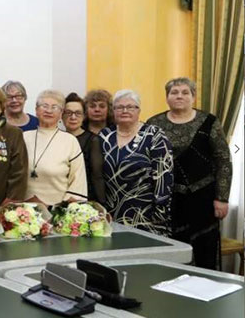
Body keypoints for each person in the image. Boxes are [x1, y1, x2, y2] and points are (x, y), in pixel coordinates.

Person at [147, 78, 232, 269]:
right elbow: (147, 162)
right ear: (167, 97)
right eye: (174, 92)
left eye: (185, 92)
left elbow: (223, 160)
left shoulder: (209, 121)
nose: (179, 96)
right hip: (168, 199)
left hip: (204, 197)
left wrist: (222, 197)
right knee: (173, 251)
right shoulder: (154, 123)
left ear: (193, 96)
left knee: (205, 251)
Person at [100, 90, 173, 236]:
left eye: (130, 107)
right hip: (110, 213)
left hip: (146, 214)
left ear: (139, 110)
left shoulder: (154, 135)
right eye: (119, 107)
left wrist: (160, 212)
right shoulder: (105, 135)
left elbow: (164, 176)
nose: (125, 110)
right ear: (113, 111)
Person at [23, 90, 87, 205]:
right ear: (36, 110)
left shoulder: (70, 141)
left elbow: (78, 181)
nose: (49, 110)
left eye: (54, 107)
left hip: (57, 211)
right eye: (44, 106)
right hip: (23, 211)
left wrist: (60, 210)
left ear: (61, 113)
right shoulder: (23, 137)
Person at [64, 93, 106, 204]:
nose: (73, 117)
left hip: (84, 200)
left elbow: (97, 176)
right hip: (59, 198)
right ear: (61, 115)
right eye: (68, 113)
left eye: (78, 113)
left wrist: (100, 205)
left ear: (84, 116)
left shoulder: (93, 140)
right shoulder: (57, 138)